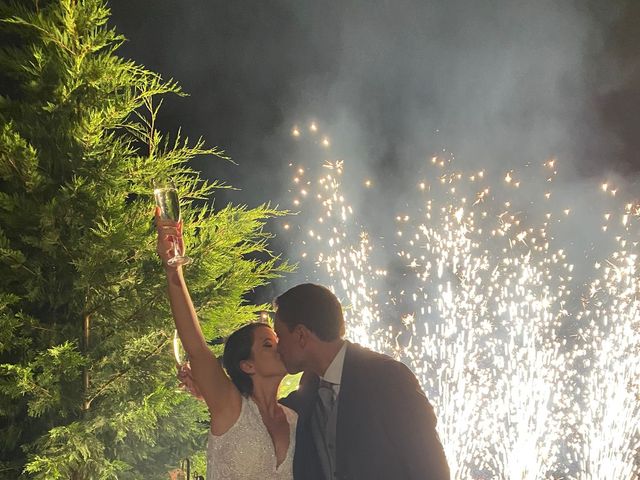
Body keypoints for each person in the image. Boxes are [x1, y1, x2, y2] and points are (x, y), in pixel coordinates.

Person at [155, 209, 296, 480]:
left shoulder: (295, 418)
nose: (279, 347)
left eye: (277, 340)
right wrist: (173, 268)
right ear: (247, 364)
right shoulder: (231, 406)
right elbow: (196, 346)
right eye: (268, 344)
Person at [275, 283, 450, 480]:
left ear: (301, 335)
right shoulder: (308, 391)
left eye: (280, 336)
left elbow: (429, 465)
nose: (277, 348)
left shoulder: (387, 378)